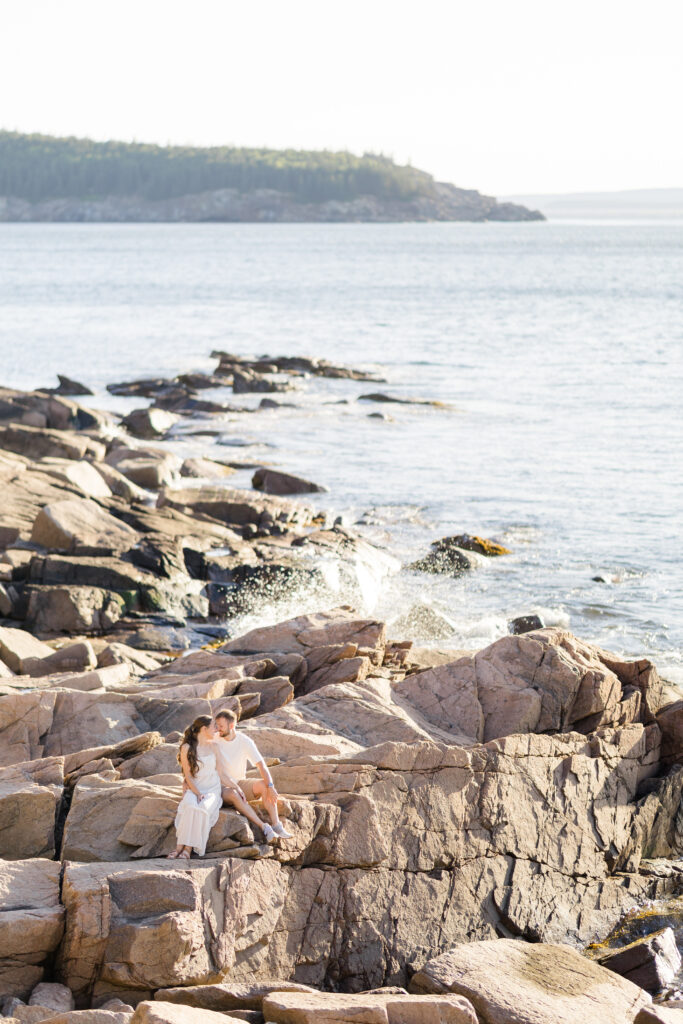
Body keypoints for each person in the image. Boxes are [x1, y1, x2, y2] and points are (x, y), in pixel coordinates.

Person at [214, 708, 292, 843]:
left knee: (264, 785)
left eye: (220, 726)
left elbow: (261, 766)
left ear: (231, 726)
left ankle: (276, 825)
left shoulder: (244, 741)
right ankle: (264, 827)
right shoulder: (214, 740)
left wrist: (271, 786)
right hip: (221, 786)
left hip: (239, 782)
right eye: (216, 725)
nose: (217, 729)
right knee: (234, 793)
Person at [168, 715, 222, 859]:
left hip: (212, 789)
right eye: (214, 726)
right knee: (190, 806)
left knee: (202, 808)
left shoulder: (215, 746)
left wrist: (237, 788)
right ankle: (179, 848)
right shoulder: (186, 747)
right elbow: (188, 775)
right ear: (204, 729)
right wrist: (197, 793)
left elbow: (221, 773)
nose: (216, 729)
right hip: (194, 788)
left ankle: (187, 849)